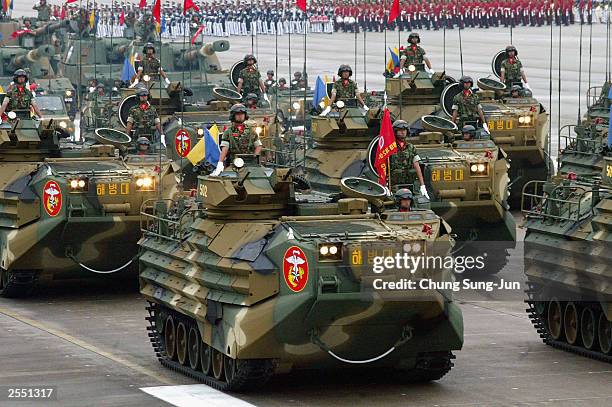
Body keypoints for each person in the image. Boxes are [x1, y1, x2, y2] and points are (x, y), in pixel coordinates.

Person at [212, 104, 262, 175]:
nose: (240, 116)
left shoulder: (251, 130)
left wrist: (255, 156)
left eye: (242, 114)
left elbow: (258, 145)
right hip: (234, 163)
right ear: (233, 116)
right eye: (238, 114)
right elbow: (225, 148)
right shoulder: (228, 132)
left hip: (250, 162)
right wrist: (220, 163)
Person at [389, 120, 429, 199]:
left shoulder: (411, 147)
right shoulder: (390, 148)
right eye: (400, 130)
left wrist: (422, 185)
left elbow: (417, 166)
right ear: (395, 132)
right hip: (394, 186)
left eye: (404, 130)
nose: (403, 132)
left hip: (410, 185)